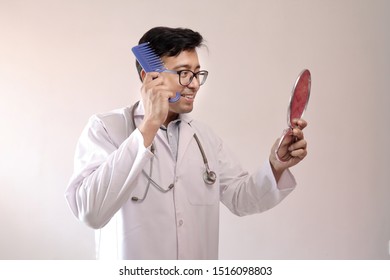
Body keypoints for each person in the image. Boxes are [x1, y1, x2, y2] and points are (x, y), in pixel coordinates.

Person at [65, 26, 308, 260]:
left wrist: (276, 166)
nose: (194, 83)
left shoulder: (204, 138)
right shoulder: (107, 128)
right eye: (183, 73)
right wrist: (149, 125)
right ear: (149, 77)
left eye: (197, 73)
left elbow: (241, 199)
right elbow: (90, 212)